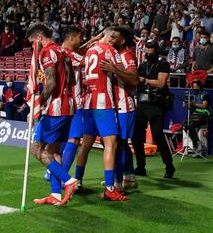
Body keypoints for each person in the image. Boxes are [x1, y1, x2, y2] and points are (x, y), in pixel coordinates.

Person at [26, 22, 78, 205]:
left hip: (56, 108)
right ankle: (55, 195)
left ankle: (69, 181)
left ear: (39, 37)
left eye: (33, 42)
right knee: (53, 150)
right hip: (68, 105)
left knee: (36, 148)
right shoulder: (63, 51)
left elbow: (51, 83)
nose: (33, 47)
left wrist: (37, 104)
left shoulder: (47, 52)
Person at [75, 28, 127, 201]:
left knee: (86, 144)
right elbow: (124, 73)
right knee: (111, 144)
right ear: (110, 36)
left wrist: (94, 38)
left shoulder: (90, 50)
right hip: (104, 103)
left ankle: (78, 181)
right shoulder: (110, 51)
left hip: (88, 101)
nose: (114, 40)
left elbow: (77, 53)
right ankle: (110, 188)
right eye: (113, 37)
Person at [101, 26, 140, 191]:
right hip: (115, 105)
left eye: (113, 37)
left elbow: (135, 80)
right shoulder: (114, 54)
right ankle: (129, 177)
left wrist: (114, 70)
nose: (109, 40)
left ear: (122, 40)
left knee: (117, 144)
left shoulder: (127, 55)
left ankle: (117, 182)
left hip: (125, 106)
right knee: (120, 143)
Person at [132, 40, 176, 178]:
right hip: (142, 103)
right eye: (147, 52)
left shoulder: (163, 64)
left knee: (157, 135)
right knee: (137, 136)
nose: (148, 54)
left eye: (150, 52)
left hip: (157, 104)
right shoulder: (143, 64)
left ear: (156, 52)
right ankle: (140, 166)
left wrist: (144, 80)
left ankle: (169, 166)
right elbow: (135, 80)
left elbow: (161, 83)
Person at [59, 27, 84, 176]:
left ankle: (52, 171)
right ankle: (63, 177)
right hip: (74, 103)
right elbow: (89, 60)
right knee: (74, 140)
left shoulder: (58, 53)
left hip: (61, 103)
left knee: (61, 139)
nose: (80, 41)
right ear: (72, 38)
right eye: (79, 37)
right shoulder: (70, 56)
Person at [184, 79, 211, 153]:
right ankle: (196, 142)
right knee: (186, 126)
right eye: (193, 87)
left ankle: (196, 143)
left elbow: (204, 105)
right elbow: (194, 108)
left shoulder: (205, 94)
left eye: (196, 87)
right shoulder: (194, 95)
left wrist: (193, 104)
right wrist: (187, 105)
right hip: (196, 114)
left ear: (200, 87)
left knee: (191, 126)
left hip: (204, 115)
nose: (195, 89)